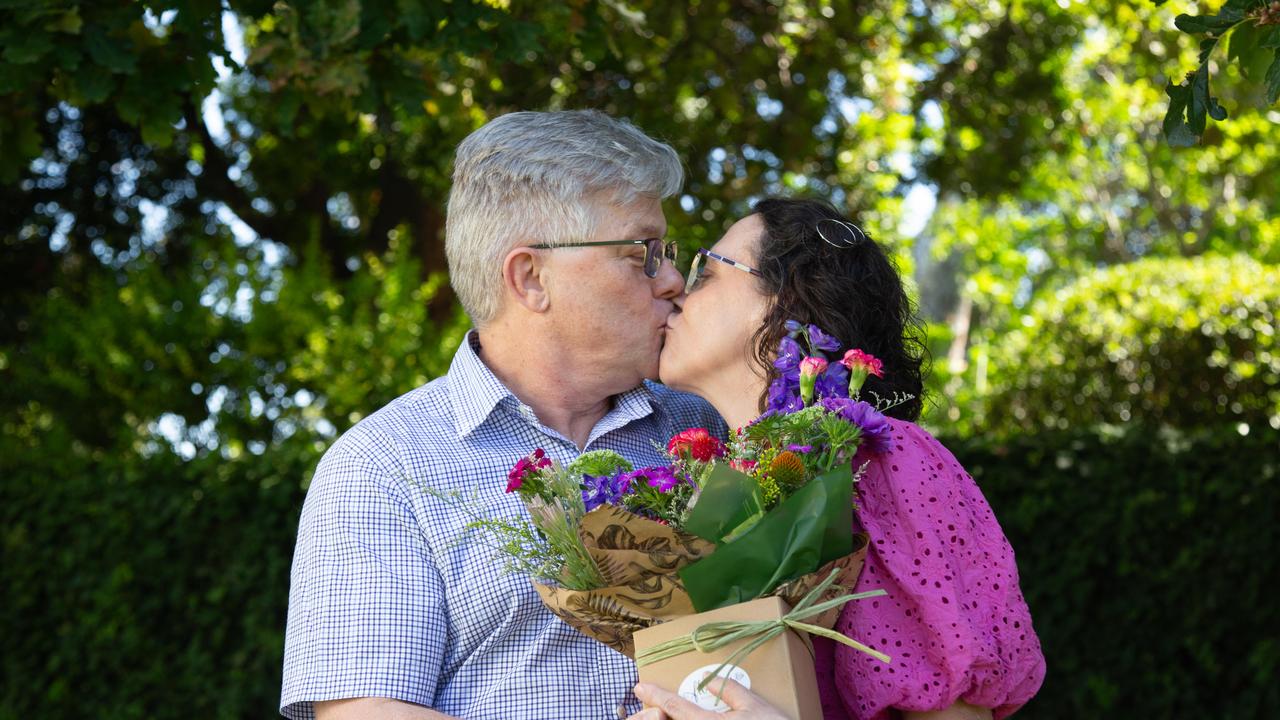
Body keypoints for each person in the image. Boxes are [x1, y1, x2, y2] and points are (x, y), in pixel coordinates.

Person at [279, 110, 726, 720]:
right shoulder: (383, 467)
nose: (673, 279)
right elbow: (364, 714)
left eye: (666, 252)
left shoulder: (702, 429)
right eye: (641, 254)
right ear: (530, 277)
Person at [643, 198, 1046, 720]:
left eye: (706, 272)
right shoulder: (712, 484)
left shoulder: (883, 461)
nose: (675, 288)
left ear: (784, 300)